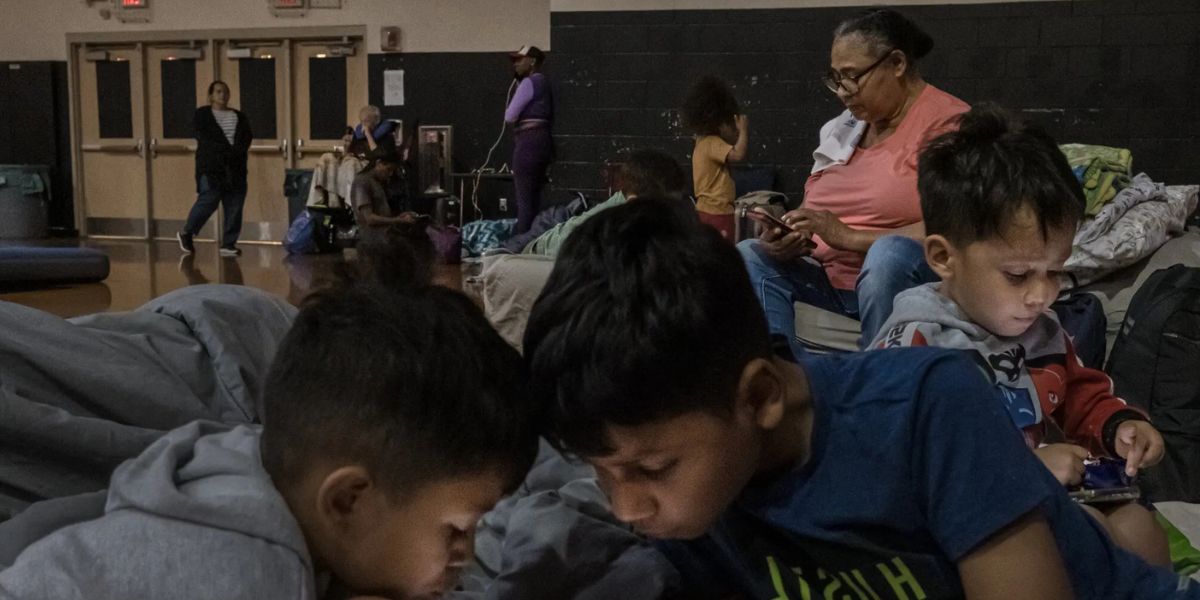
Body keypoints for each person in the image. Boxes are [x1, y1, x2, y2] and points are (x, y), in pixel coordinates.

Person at [521, 199, 1198, 599]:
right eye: (602, 472)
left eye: (651, 470)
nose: (627, 508)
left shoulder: (925, 407)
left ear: (758, 396)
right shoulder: (689, 503)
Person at [0, 241, 540, 599]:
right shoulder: (249, 570)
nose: (464, 560)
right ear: (348, 500)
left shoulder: (241, 470)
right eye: (456, 531)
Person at [870, 104, 1170, 567]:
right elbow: (894, 467)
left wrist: (1120, 427)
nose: (1041, 295)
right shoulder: (916, 345)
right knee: (1086, 536)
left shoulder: (1042, 331)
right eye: (1017, 274)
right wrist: (1021, 470)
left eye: (1055, 271)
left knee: (1140, 528)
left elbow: (1081, 393)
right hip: (949, 527)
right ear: (943, 257)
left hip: (1030, 499)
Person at [739, 9, 968, 354]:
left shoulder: (949, 125)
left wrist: (849, 237)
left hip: (905, 277)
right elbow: (814, 208)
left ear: (896, 64)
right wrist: (790, 231)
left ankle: (881, 382)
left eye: (851, 76)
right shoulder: (842, 128)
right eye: (835, 78)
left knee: (888, 255)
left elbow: (959, 228)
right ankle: (782, 377)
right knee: (750, 254)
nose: (842, 92)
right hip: (829, 279)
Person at [178, 80, 253, 258]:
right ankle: (188, 232)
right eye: (218, 92)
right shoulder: (203, 115)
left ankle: (228, 243)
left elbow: (246, 137)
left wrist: (236, 153)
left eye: (225, 92)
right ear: (211, 95)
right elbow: (205, 138)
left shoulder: (239, 117)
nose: (222, 95)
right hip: (211, 167)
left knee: (235, 204)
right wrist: (225, 151)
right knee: (209, 198)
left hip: (235, 167)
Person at [682, 76, 748, 242]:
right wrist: (744, 129)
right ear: (720, 122)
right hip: (718, 211)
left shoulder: (701, 142)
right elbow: (738, 154)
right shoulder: (713, 143)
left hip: (704, 209)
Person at [505, 45, 555, 234]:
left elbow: (510, 116)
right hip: (543, 142)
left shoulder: (529, 83)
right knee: (535, 199)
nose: (515, 64)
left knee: (524, 200)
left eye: (520, 60)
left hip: (527, 143)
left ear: (532, 61)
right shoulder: (544, 83)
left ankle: (520, 244)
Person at [308, 105, 398, 208]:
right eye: (362, 121)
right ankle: (323, 201)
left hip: (370, 165)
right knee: (327, 158)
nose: (363, 124)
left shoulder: (387, 137)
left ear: (376, 121)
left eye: (367, 121)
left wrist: (368, 134)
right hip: (353, 161)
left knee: (351, 164)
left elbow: (378, 154)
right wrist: (345, 151)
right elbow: (352, 151)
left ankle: (351, 205)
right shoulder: (359, 134)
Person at [351, 145, 421, 245]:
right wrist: (398, 220)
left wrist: (400, 216)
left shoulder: (378, 182)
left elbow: (381, 212)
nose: (390, 174)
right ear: (378, 163)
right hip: (373, 239)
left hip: (385, 236)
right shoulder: (362, 182)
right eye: (388, 169)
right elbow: (370, 219)